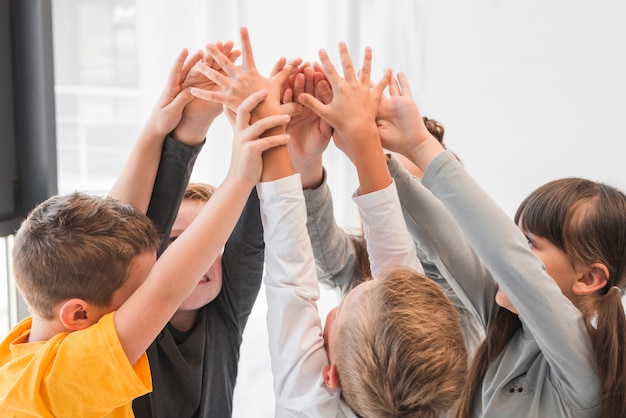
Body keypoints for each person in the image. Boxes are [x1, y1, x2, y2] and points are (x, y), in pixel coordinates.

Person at [0, 45, 291, 417]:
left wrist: (165, 128)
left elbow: (123, 217)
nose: (148, 300)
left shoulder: (39, 336)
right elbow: (165, 290)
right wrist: (239, 176)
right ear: (78, 314)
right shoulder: (57, 383)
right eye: (137, 293)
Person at [199, 36, 467, 416]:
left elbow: (292, 277)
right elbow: (391, 271)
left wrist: (269, 124)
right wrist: (356, 140)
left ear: (330, 377)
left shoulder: (308, 405)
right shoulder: (424, 394)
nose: (334, 306)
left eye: (339, 309)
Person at [378, 71, 626, 417]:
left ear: (588, 278)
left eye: (529, 242)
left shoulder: (584, 367)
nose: (510, 247)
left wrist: (421, 144)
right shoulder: (504, 324)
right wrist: (373, 151)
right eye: (515, 234)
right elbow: (442, 237)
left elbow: (511, 261)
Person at [282, 60, 485, 358]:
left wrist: (364, 145)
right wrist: (307, 160)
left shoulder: (463, 283)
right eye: (378, 184)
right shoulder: (357, 269)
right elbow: (326, 253)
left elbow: (408, 274)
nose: (391, 207)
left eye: (407, 193)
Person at [131, 41, 270, 418]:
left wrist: (260, 129)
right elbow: (146, 227)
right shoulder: (130, 319)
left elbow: (251, 238)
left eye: (208, 247)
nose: (195, 261)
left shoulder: (226, 314)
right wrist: (191, 128)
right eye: (176, 243)